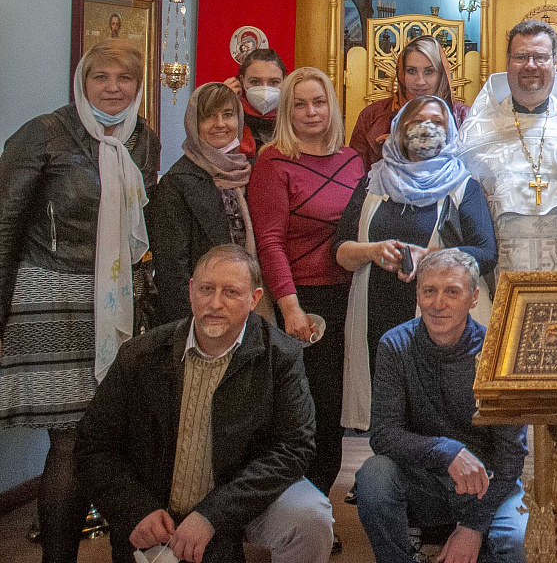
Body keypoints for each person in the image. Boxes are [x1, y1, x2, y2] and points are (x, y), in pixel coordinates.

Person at [0, 39, 159, 563]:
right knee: (69, 441)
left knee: (116, 437)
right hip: (52, 298)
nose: (113, 88)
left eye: (125, 79)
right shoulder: (42, 134)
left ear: (139, 86)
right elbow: (4, 228)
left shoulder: (142, 138)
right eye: (101, 77)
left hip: (116, 302)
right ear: (81, 81)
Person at [74, 244, 333, 563]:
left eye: (231, 292)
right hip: (159, 511)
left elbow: (295, 446)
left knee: (311, 516)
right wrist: (134, 509)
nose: (215, 303)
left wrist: (213, 514)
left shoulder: (279, 356)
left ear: (253, 299)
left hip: (244, 499)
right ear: (191, 290)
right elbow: (93, 445)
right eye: (206, 289)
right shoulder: (140, 355)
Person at [335, 95, 497, 432]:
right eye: (417, 120)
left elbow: (486, 252)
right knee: (385, 413)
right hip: (375, 309)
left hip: (436, 314)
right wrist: (371, 251)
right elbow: (341, 250)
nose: (426, 129)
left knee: (433, 415)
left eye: (437, 122)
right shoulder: (372, 181)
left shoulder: (462, 185)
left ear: (450, 129)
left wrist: (433, 259)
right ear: (399, 128)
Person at [355, 249, 527, 563]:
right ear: (417, 294)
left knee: (517, 542)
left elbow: (511, 456)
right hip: (423, 481)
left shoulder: (498, 352)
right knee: (373, 475)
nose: (438, 303)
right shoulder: (395, 344)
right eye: (429, 291)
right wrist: (446, 450)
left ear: (473, 298)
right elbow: (383, 434)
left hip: (488, 484)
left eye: (452, 292)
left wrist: (473, 527)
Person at [247, 66, 362, 504]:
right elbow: (269, 243)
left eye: (319, 102)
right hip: (304, 300)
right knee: (306, 411)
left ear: (331, 106)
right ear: (286, 111)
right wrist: (290, 309)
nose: (311, 112)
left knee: (338, 413)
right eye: (299, 103)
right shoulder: (274, 162)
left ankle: (320, 507)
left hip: (352, 297)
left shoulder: (353, 160)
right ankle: (299, 509)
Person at [455, 20, 557, 274]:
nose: (530, 65)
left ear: (554, 62)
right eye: (521, 57)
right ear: (508, 61)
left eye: (540, 57)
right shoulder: (477, 136)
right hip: (499, 283)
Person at [149, 83, 269, 326]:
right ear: (194, 124)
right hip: (202, 314)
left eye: (227, 115)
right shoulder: (178, 182)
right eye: (209, 117)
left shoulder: (247, 170)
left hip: (246, 303)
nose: (220, 124)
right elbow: (172, 268)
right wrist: (190, 325)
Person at [349, 36, 470, 172]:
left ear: (441, 75)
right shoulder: (372, 116)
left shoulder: (464, 117)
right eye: (411, 71)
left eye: (429, 72)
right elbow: (355, 176)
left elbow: (476, 174)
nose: (420, 81)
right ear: (402, 74)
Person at [225, 48, 288, 157]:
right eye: (255, 82)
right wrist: (222, 103)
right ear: (241, 80)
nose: (264, 89)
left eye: (274, 82)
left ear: (285, 81)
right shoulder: (231, 115)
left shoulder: (295, 118)